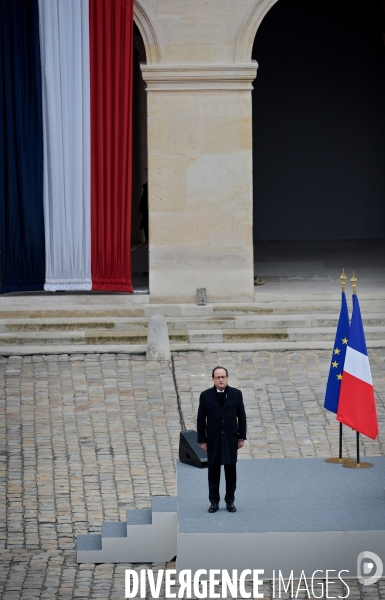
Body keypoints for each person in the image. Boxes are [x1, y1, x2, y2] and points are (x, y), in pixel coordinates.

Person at [197, 366, 247, 513]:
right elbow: (201, 419)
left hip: (231, 439)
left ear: (227, 378)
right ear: (213, 379)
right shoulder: (205, 396)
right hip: (213, 439)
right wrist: (202, 440)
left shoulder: (236, 394)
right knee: (213, 472)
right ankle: (214, 501)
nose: (221, 379)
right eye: (218, 377)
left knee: (231, 472)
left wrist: (241, 437)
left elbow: (241, 416)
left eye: (223, 377)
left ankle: (230, 501)